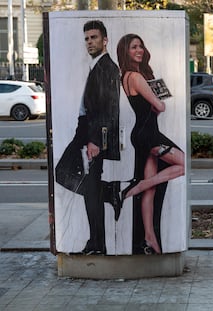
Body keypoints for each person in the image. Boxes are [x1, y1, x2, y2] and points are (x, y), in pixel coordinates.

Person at [55, 20, 121, 255]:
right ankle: (110, 193)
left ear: (105, 40)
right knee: (70, 177)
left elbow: (109, 108)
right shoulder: (96, 66)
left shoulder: (107, 68)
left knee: (84, 185)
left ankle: (96, 244)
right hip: (85, 131)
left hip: (93, 135)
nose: (89, 42)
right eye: (87, 38)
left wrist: (95, 141)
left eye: (94, 37)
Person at [116, 33, 185, 255]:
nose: (139, 50)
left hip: (143, 133)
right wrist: (158, 100)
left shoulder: (125, 77)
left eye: (141, 46)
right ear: (125, 52)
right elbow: (159, 107)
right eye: (134, 47)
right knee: (183, 164)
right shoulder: (135, 77)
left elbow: (147, 106)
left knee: (152, 190)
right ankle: (134, 188)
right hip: (148, 135)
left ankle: (149, 237)